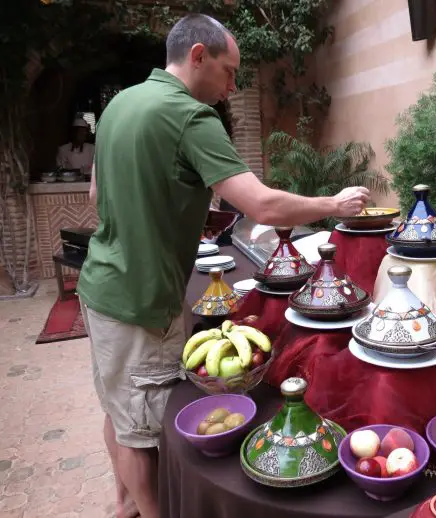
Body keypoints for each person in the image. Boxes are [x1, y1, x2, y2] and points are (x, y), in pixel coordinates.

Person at [77, 13, 369, 518]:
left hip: (100, 284)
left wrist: (191, 212)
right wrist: (335, 204)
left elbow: (100, 194)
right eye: (228, 71)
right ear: (197, 57)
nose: (232, 85)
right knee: (142, 430)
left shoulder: (121, 103)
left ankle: (122, 504)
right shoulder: (190, 115)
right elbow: (264, 207)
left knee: (118, 406)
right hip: (140, 300)